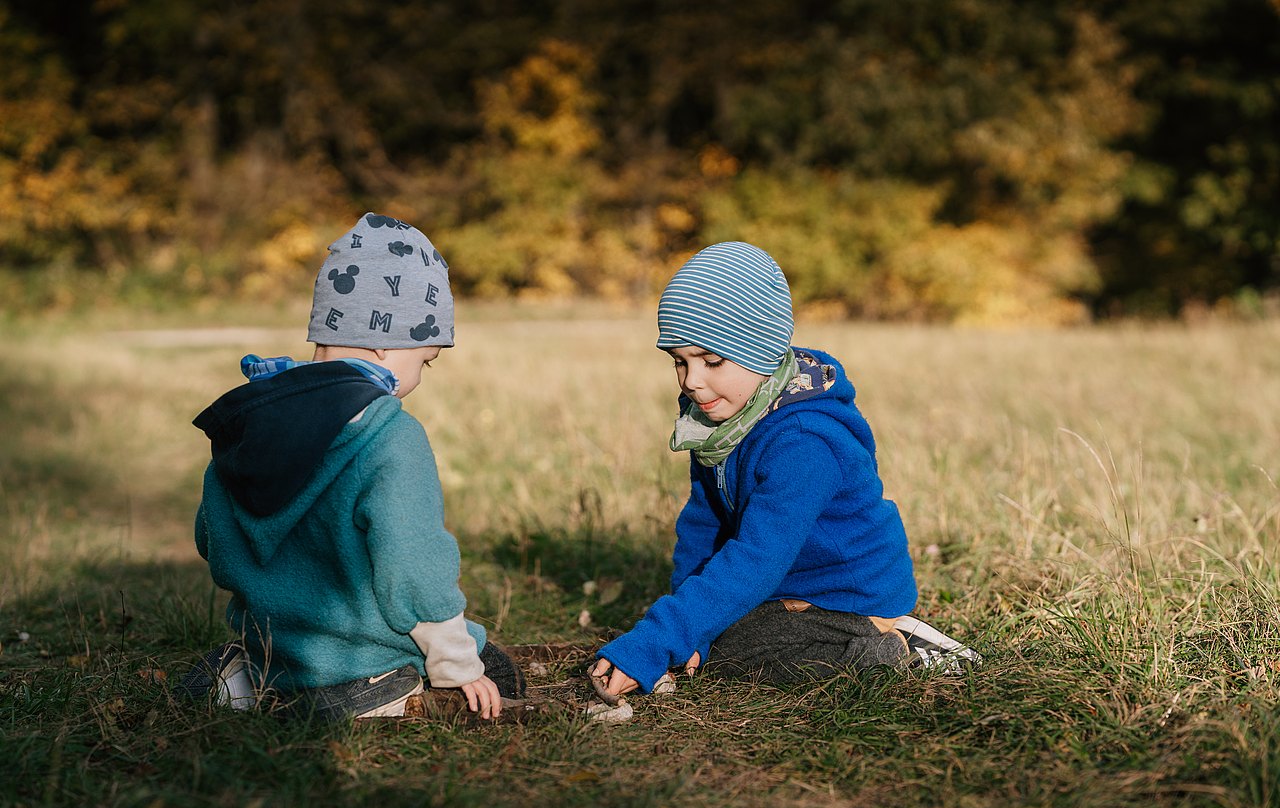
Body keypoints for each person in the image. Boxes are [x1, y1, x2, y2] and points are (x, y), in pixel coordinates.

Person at [592, 241, 978, 697]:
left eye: (712, 360)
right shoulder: (718, 423)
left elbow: (758, 556)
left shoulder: (803, 442)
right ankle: (735, 627)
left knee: (734, 649)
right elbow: (703, 524)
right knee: (713, 633)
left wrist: (663, 639)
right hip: (781, 584)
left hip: (842, 596)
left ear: (760, 349)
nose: (693, 381)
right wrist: (686, 631)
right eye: (680, 361)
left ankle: (893, 650)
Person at [181, 212, 523, 721]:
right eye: (424, 361)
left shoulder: (251, 416)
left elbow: (212, 539)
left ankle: (253, 680)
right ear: (386, 340)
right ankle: (365, 694)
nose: (420, 377)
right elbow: (413, 565)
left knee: (280, 657)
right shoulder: (388, 435)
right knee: (498, 668)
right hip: (361, 660)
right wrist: (458, 664)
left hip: (273, 643)